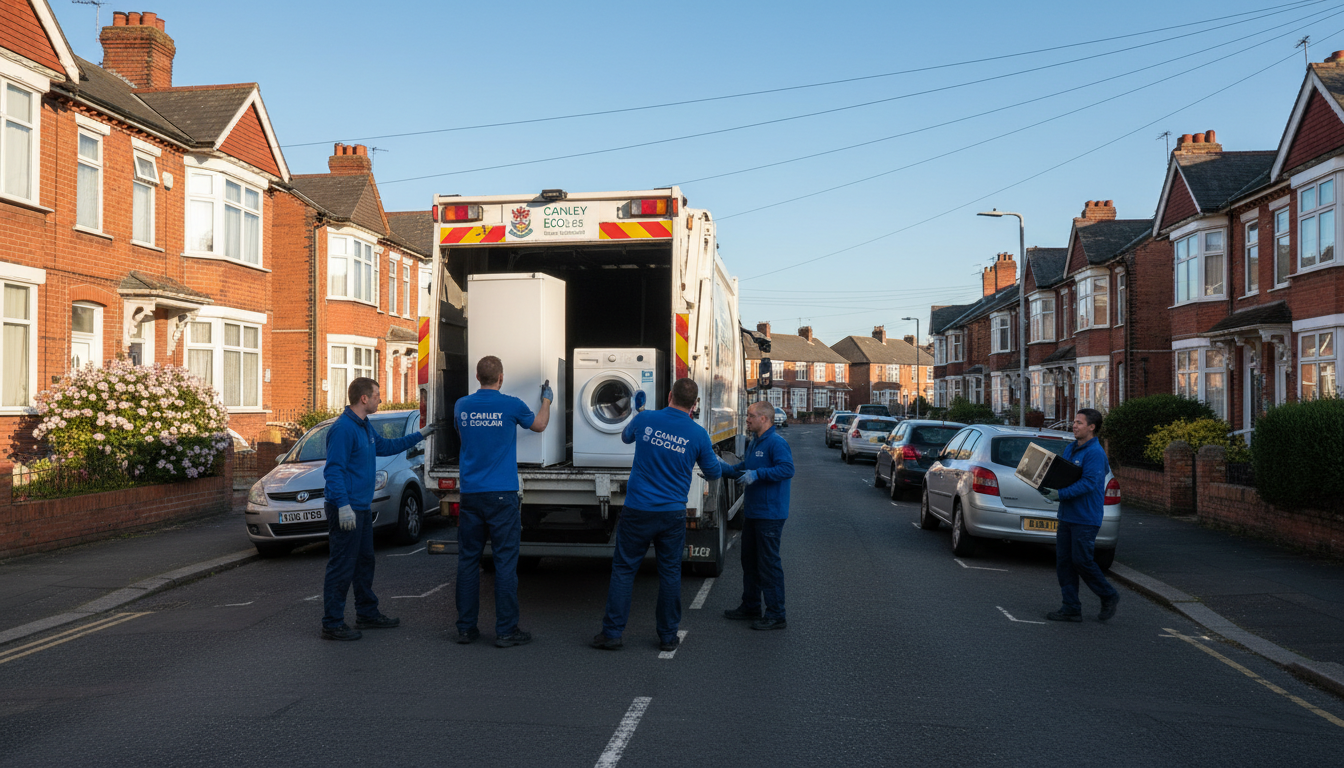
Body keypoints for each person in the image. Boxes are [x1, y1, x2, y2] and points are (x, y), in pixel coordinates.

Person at [592, 378, 721, 652]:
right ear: (694, 404)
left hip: (637, 510)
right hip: (672, 514)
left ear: (670, 395)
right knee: (670, 573)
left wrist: (640, 416)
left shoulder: (646, 419)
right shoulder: (698, 434)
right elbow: (713, 473)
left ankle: (612, 634)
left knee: (624, 570)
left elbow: (626, 437)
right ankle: (667, 636)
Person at [321, 377, 438, 641]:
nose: (380, 400)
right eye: (377, 395)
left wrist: (421, 434)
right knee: (342, 565)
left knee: (364, 562)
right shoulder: (343, 429)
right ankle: (332, 623)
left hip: (361, 507)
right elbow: (334, 471)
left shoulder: (364, 426)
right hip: (346, 509)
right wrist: (343, 506)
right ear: (364, 398)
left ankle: (366, 613)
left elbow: (386, 446)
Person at [453, 355, 551, 647]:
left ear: (477, 376)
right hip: (501, 494)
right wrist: (547, 400)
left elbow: (462, 434)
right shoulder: (512, 405)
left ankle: (466, 629)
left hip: (471, 493)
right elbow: (540, 425)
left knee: (468, 562)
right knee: (505, 563)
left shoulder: (462, 405)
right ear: (501, 378)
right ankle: (506, 631)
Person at [719, 400, 795, 630]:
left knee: (768, 563)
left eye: (751, 415)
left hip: (770, 514)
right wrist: (721, 468)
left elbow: (787, 469)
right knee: (750, 561)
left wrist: (758, 474)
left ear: (764, 418)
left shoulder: (776, 442)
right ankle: (751, 605)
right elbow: (745, 468)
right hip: (754, 512)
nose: (747, 419)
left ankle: (776, 614)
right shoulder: (755, 441)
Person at [1042, 408, 1120, 623]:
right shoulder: (1071, 448)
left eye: (1079, 423)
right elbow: (1064, 476)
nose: (1074, 426)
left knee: (1081, 561)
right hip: (1067, 515)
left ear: (1091, 427)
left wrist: (1060, 494)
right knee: (1064, 563)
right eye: (1074, 422)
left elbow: (1089, 483)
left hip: (1086, 517)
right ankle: (1071, 608)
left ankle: (1108, 594)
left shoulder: (1095, 453)